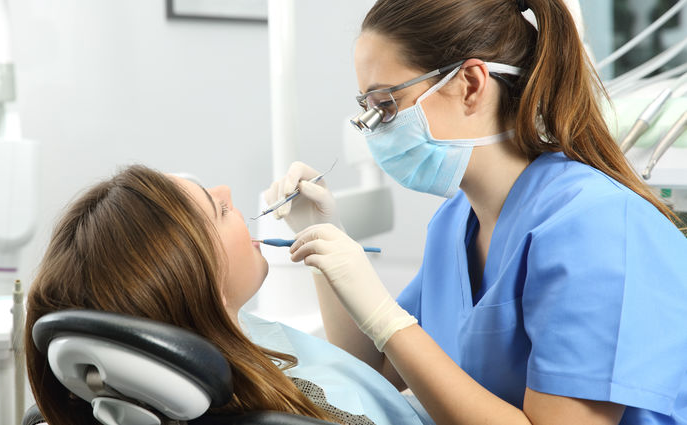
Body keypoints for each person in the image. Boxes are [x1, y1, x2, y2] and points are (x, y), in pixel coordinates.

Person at [266, 0, 687, 424]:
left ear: (470, 84)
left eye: (387, 105)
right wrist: (323, 241)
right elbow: (371, 372)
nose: (373, 129)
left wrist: (386, 316)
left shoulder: (598, 227)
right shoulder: (455, 223)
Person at [24, 165, 429, 425]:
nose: (227, 190)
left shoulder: (223, 345)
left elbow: (357, 376)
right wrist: (386, 320)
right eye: (218, 209)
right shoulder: (302, 406)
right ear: (200, 284)